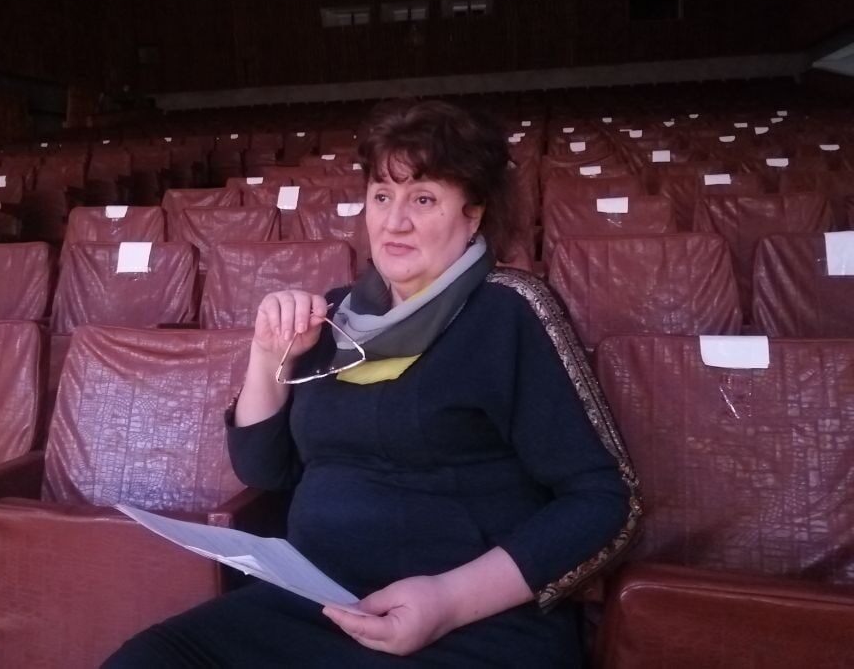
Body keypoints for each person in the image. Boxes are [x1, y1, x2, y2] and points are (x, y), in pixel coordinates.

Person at [104, 100, 641, 668]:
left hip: (469, 622)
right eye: (382, 196)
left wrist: (448, 601)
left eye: (423, 199)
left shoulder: (509, 314)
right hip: (318, 600)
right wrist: (266, 355)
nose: (394, 221)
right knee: (148, 659)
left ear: (474, 215)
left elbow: (607, 501)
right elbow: (263, 472)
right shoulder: (336, 314)